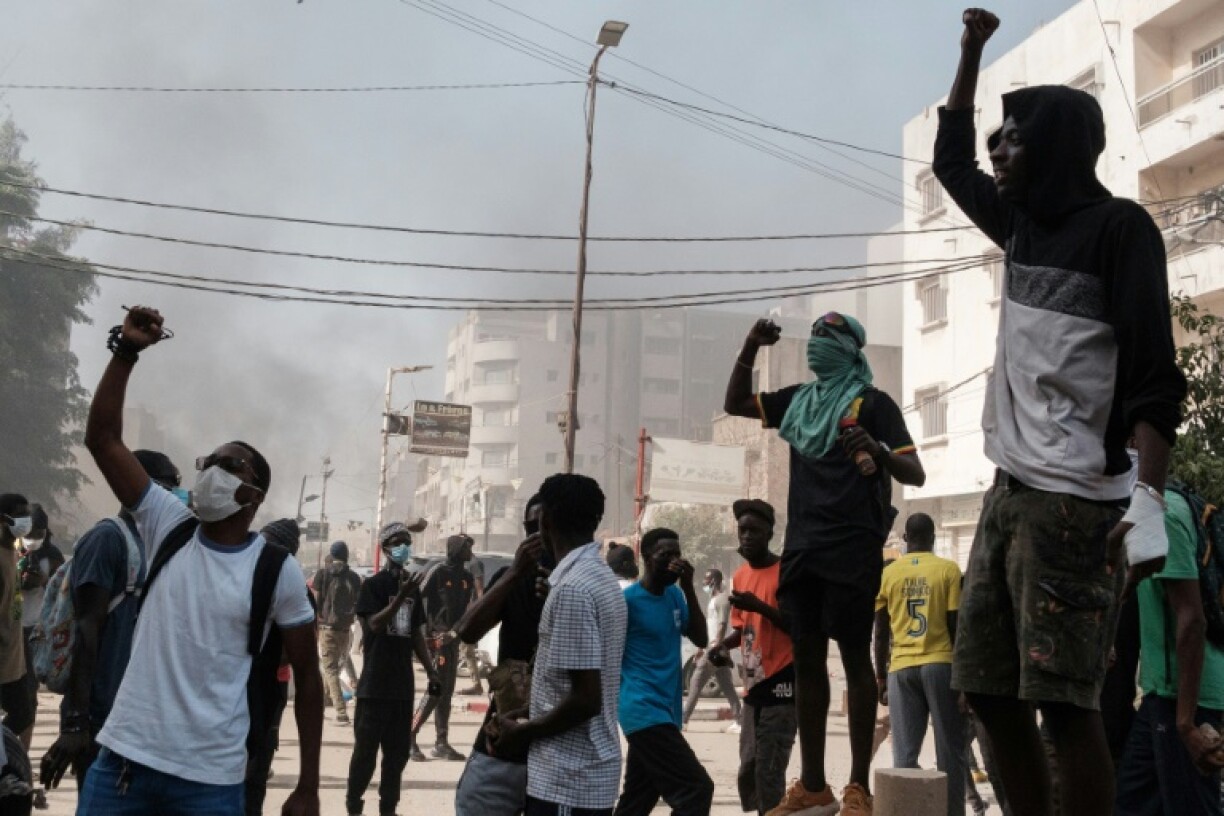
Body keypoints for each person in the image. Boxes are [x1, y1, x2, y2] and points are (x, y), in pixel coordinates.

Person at [935, 11, 1188, 816]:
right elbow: (948, 157)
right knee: (986, 692)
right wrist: (970, 53)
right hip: (1009, 493)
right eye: (996, 136)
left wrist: (1149, 497)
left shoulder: (1120, 230)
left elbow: (1154, 375)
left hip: (1079, 503)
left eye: (1012, 137)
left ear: (1053, 145)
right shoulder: (1019, 227)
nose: (995, 150)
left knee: (1067, 704)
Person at [76, 305, 322, 815]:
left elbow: (309, 675)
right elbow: (102, 439)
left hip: (209, 783)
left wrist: (309, 786)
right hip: (123, 764)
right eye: (208, 463)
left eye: (228, 466)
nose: (212, 471)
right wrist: (126, 352)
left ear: (254, 495)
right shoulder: (168, 524)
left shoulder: (276, 569)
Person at [725, 312, 925, 816]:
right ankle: (813, 785)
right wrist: (751, 344)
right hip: (804, 547)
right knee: (808, 660)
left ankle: (858, 786)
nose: (815, 345)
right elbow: (734, 403)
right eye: (811, 336)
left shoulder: (873, 404)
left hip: (854, 547)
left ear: (849, 348)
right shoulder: (799, 402)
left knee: (856, 658)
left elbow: (914, 471)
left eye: (826, 337)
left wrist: (878, 452)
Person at [39, 451, 182, 791]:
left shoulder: (153, 543)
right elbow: (86, 632)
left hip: (138, 716)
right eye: (170, 486)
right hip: (102, 716)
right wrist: (76, 723)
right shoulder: (107, 540)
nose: (177, 495)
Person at [489, 474, 627, 816]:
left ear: (546, 521)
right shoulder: (599, 577)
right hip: (579, 776)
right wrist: (527, 713)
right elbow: (571, 685)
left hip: (568, 780)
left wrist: (523, 733)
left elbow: (585, 699)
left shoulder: (572, 589)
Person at [1115, 483, 1224, 814]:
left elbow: (1192, 620)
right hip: (1159, 695)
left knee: (1191, 806)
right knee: (1133, 803)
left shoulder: (1163, 515)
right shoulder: (1146, 514)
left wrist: (1186, 724)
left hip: (1185, 697)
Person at [454, 495, 551, 816]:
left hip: (557, 749)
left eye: (545, 526)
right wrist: (514, 574)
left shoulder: (583, 584)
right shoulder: (514, 578)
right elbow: (467, 630)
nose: (537, 535)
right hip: (506, 736)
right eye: (530, 527)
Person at [613, 527, 712, 816]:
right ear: (645, 557)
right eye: (664, 554)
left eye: (677, 554)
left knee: (638, 798)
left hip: (665, 710)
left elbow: (701, 638)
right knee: (697, 789)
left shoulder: (675, 596)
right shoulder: (628, 601)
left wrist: (689, 587)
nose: (673, 561)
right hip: (642, 709)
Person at [344, 522, 440, 816]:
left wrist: (432, 670)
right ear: (385, 548)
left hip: (401, 688)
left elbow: (415, 635)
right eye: (398, 542)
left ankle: (388, 807)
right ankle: (354, 804)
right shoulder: (373, 586)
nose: (404, 548)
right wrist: (401, 596)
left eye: (407, 542)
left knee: (396, 756)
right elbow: (373, 624)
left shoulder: (413, 588)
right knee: (365, 754)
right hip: (374, 686)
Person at [874, 513, 966, 816]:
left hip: (901, 669)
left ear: (905, 539)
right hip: (940, 664)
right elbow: (955, 626)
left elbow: (881, 631)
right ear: (933, 537)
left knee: (904, 754)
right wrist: (963, 678)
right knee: (950, 750)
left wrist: (880, 679)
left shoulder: (889, 574)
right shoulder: (948, 570)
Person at [708, 499, 796, 815]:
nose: (746, 536)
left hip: (782, 683)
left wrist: (758, 606)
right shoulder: (741, 576)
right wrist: (722, 647)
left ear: (769, 533)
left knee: (769, 772)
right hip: (753, 686)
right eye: (742, 530)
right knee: (748, 770)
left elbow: (796, 625)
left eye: (754, 531)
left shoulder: (785, 571)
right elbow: (744, 627)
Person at [246, 517, 308, 816]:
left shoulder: (294, 588)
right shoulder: (246, 575)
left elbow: (292, 656)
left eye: (266, 542)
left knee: (254, 774)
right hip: (238, 688)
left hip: (268, 689)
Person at [412, 533, 478, 761]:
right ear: (457, 549)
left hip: (453, 640)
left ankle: (441, 742)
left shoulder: (467, 577)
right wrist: (423, 633)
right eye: (467, 548)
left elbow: (466, 610)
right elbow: (416, 599)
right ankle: (410, 736)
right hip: (436, 641)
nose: (470, 552)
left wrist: (456, 633)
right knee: (435, 690)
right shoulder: (438, 573)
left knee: (446, 693)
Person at [17, 505, 63, 746]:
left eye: (38, 534)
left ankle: (22, 751)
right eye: (29, 533)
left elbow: (61, 594)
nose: (32, 539)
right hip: (10, 628)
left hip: (37, 630)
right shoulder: (11, 551)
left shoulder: (52, 556)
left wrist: (43, 581)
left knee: (29, 692)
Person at [682, 568, 742, 730]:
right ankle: (739, 721)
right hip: (713, 648)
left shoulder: (722, 599)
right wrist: (701, 648)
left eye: (707, 580)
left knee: (695, 681)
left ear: (715, 580)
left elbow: (722, 624)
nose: (704, 583)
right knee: (727, 686)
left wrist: (717, 646)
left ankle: (683, 720)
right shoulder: (713, 599)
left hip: (715, 650)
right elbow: (711, 626)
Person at [313, 540, 364, 725]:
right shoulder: (354, 578)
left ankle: (341, 713)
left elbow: (316, 601)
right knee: (335, 665)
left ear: (332, 555)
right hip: (346, 629)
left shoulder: (323, 574)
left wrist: (318, 620)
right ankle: (325, 700)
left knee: (330, 669)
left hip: (327, 628)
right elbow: (359, 603)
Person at [0, 495, 35, 751]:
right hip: (2, 655)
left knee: (24, 712)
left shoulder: (14, 551)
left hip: (14, 656)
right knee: (22, 713)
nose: (26, 521)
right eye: (20, 515)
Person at [458, 551, 487, 697]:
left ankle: (476, 685)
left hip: (469, 613)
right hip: (464, 613)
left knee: (466, 649)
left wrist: (476, 610)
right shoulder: (468, 563)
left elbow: (479, 590)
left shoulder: (474, 564)